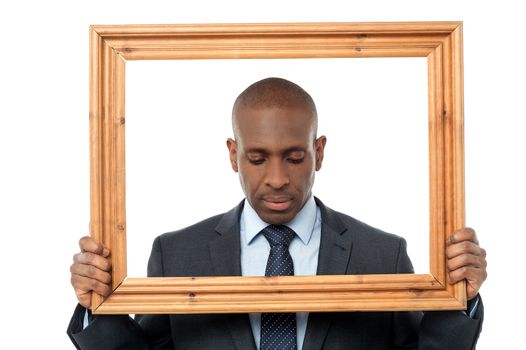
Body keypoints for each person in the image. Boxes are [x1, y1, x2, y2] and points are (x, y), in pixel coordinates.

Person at [68, 77, 487, 349]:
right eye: (257, 158)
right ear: (233, 155)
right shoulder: (177, 254)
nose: (277, 179)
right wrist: (95, 306)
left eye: (293, 157)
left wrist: (459, 299)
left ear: (318, 152)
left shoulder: (382, 254)